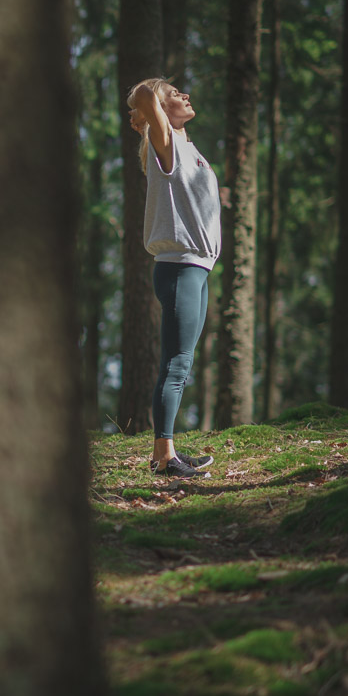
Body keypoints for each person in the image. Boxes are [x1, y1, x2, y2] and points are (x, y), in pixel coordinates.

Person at [126, 78, 222, 478]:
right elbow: (144, 96)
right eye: (175, 93)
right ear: (162, 110)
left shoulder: (187, 147)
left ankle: (166, 451)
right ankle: (164, 457)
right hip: (179, 265)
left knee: (182, 363)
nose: (185, 95)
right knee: (176, 364)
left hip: (196, 267)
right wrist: (147, 107)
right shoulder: (164, 142)